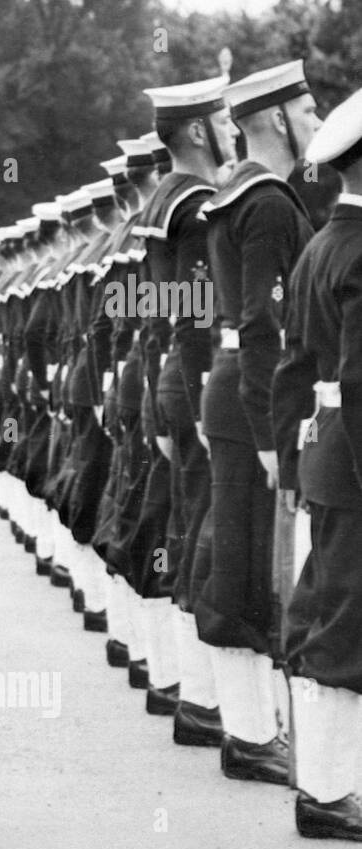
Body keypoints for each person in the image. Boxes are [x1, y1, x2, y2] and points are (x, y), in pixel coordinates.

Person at [194, 60, 318, 784]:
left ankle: (251, 725)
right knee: (242, 566)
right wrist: (276, 432)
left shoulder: (238, 194)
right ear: (273, 119)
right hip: (255, 397)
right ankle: (246, 735)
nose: (313, 124)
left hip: (238, 389)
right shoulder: (268, 202)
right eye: (306, 111)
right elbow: (267, 322)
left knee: (238, 557)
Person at [273, 86, 362, 839]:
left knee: (331, 610)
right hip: (355, 460)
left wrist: (293, 460)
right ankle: (328, 793)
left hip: (329, 455)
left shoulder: (319, 246)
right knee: (343, 621)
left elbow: (292, 370)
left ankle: (328, 783)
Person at [138, 76, 235, 745]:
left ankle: (186, 688)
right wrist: (205, 395)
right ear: (199, 130)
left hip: (170, 377)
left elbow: (154, 313)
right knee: (204, 530)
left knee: (185, 526)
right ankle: (202, 701)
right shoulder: (199, 204)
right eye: (225, 120)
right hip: (196, 376)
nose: (233, 131)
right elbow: (198, 314)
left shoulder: (162, 197)